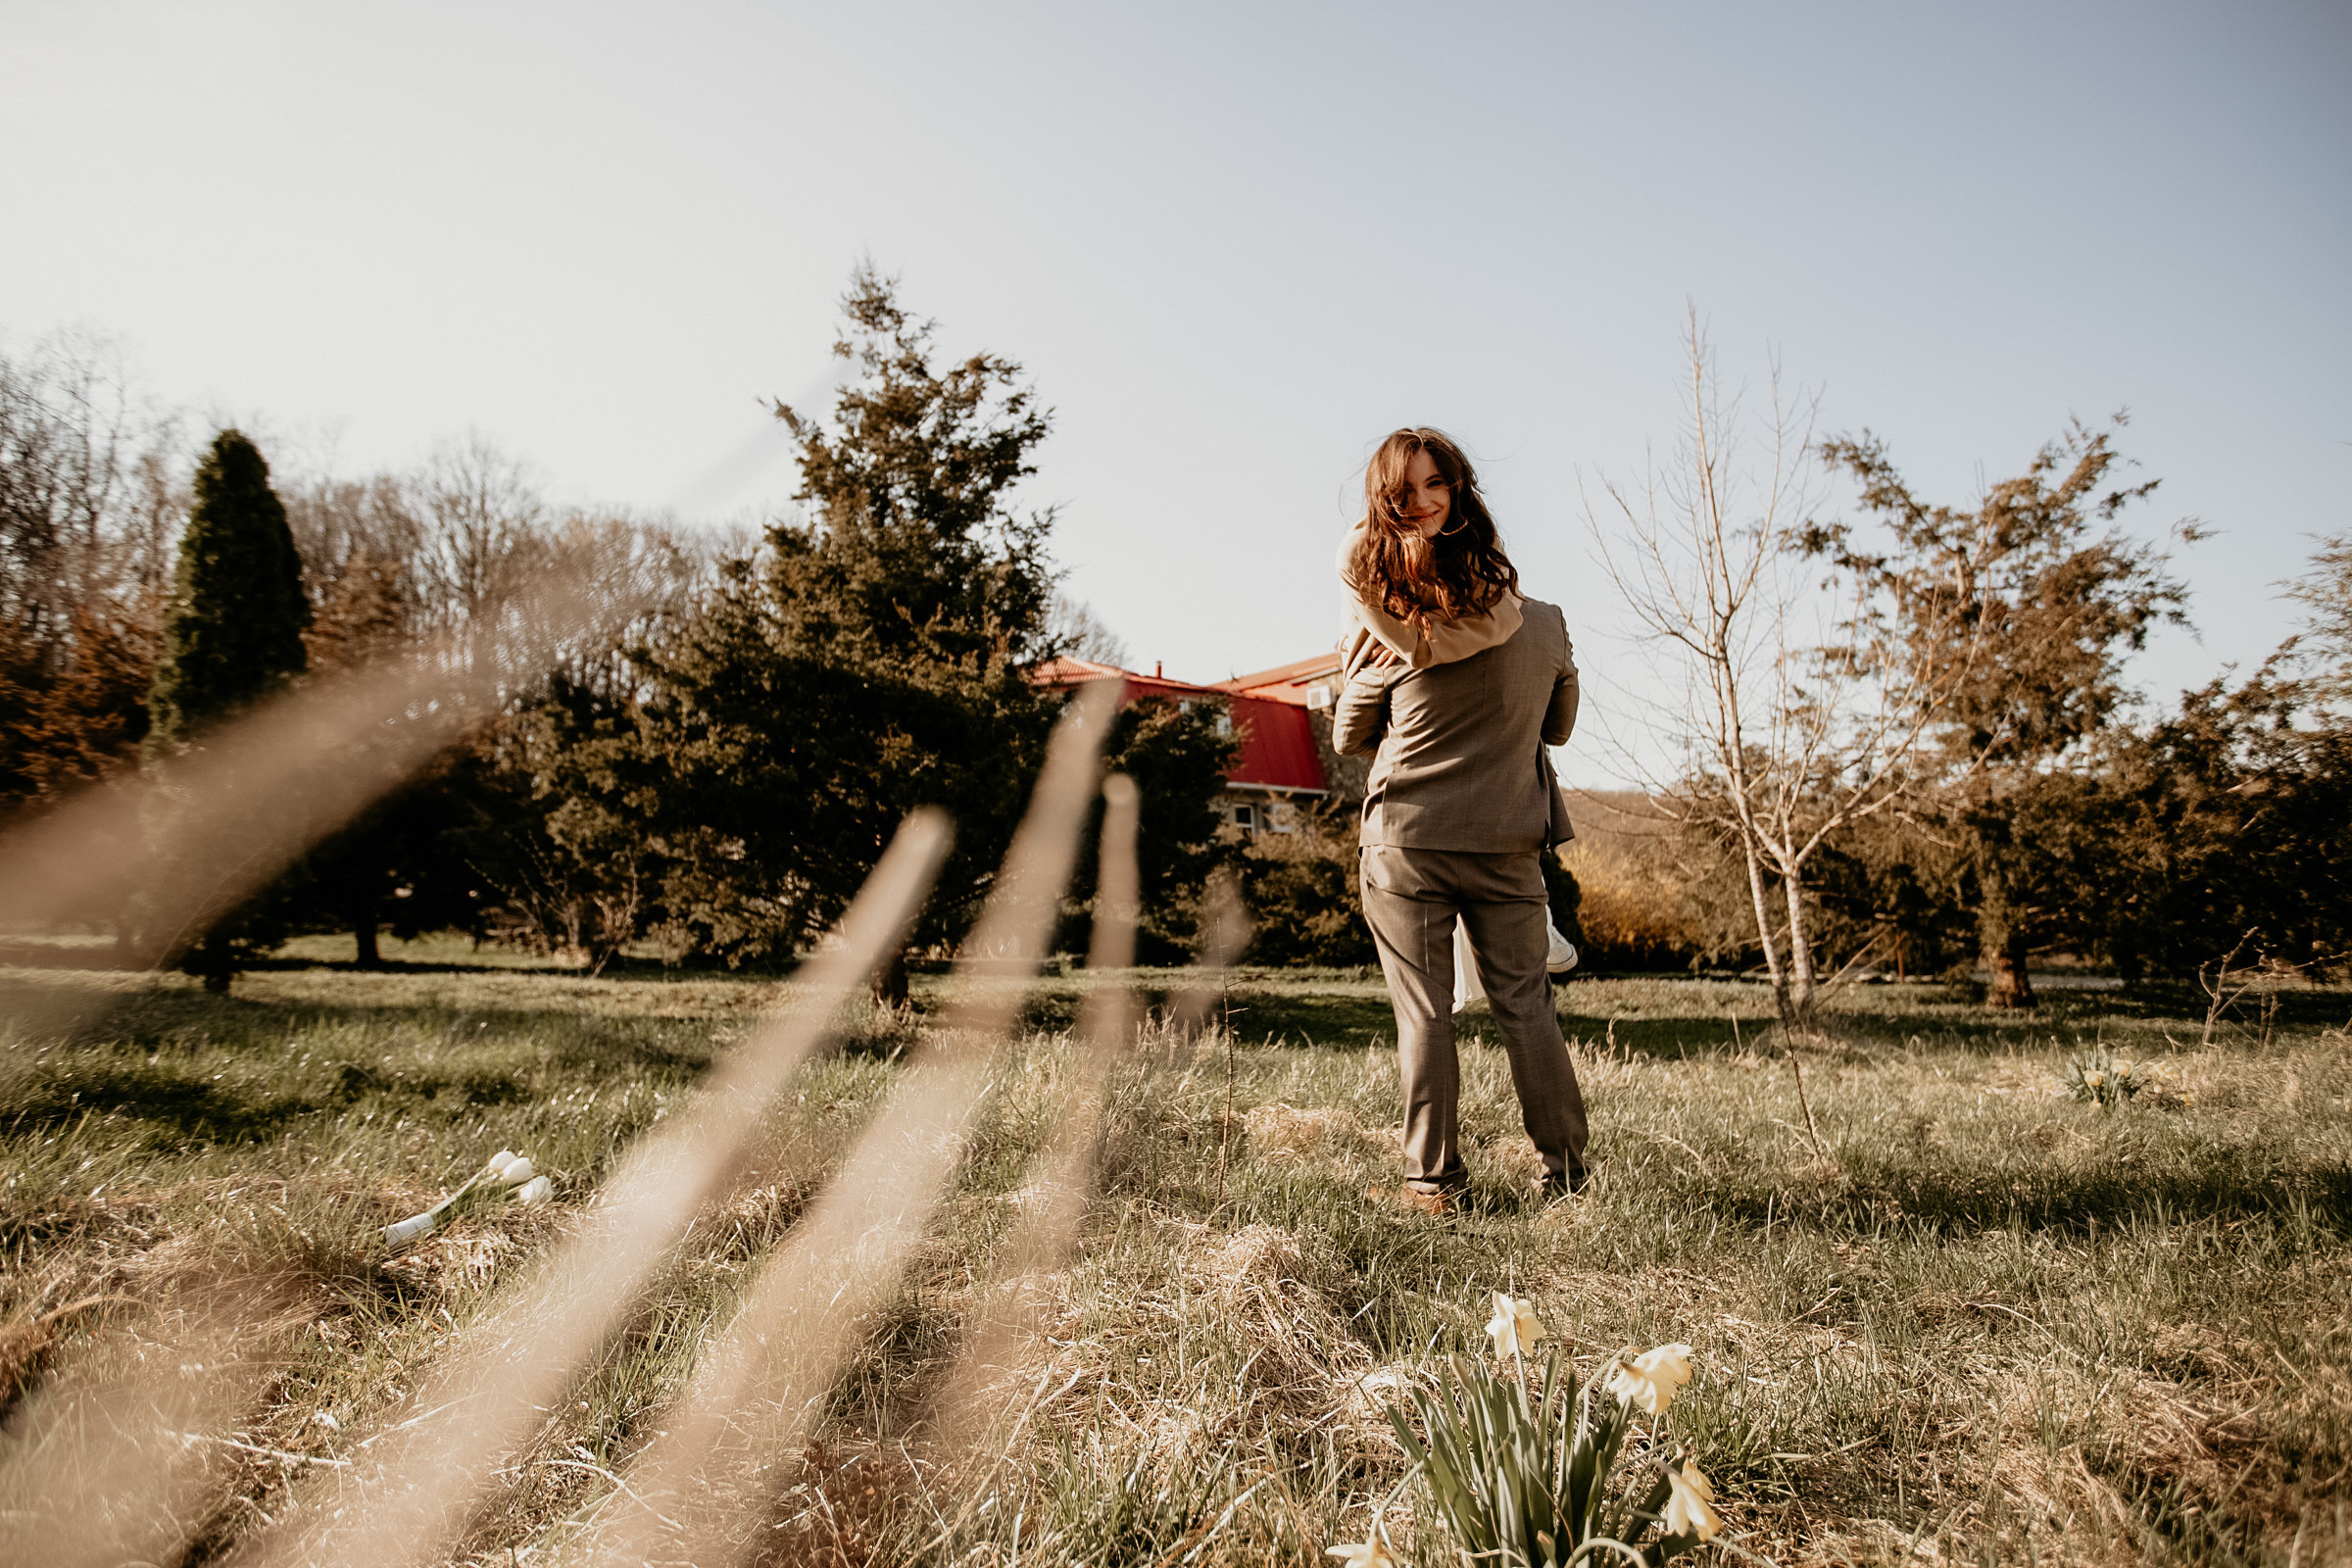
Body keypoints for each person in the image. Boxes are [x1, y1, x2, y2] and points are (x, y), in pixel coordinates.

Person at [1333, 427, 1590, 1215]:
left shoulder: (1392, 624)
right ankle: (1568, 1178)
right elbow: (1560, 728)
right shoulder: (1543, 623)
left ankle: (1432, 1184)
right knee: (1527, 1009)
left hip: (1406, 838)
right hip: (1509, 841)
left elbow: (1347, 739)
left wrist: (1367, 686)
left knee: (1424, 1012)